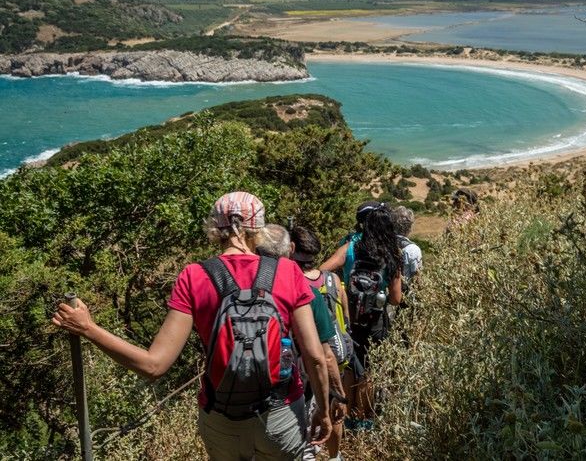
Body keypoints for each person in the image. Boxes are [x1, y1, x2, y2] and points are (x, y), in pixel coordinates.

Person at [52, 192, 331, 461]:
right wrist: (324, 411)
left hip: (222, 417)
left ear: (214, 228)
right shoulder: (288, 271)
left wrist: (89, 328)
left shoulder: (193, 276)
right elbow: (315, 357)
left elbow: (153, 365)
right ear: (258, 228)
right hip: (281, 413)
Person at [320, 202, 402, 424]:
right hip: (376, 320)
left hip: (349, 317)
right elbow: (396, 298)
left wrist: (339, 290)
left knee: (347, 365)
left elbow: (322, 272)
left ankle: (344, 416)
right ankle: (363, 418)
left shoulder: (350, 247)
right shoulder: (393, 252)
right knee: (370, 370)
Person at [290, 225, 351, 460]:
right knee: (332, 409)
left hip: (306, 366)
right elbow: (345, 318)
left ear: (291, 249)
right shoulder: (332, 279)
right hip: (335, 354)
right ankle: (335, 456)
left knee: (306, 421)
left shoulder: (292, 285)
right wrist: (339, 390)